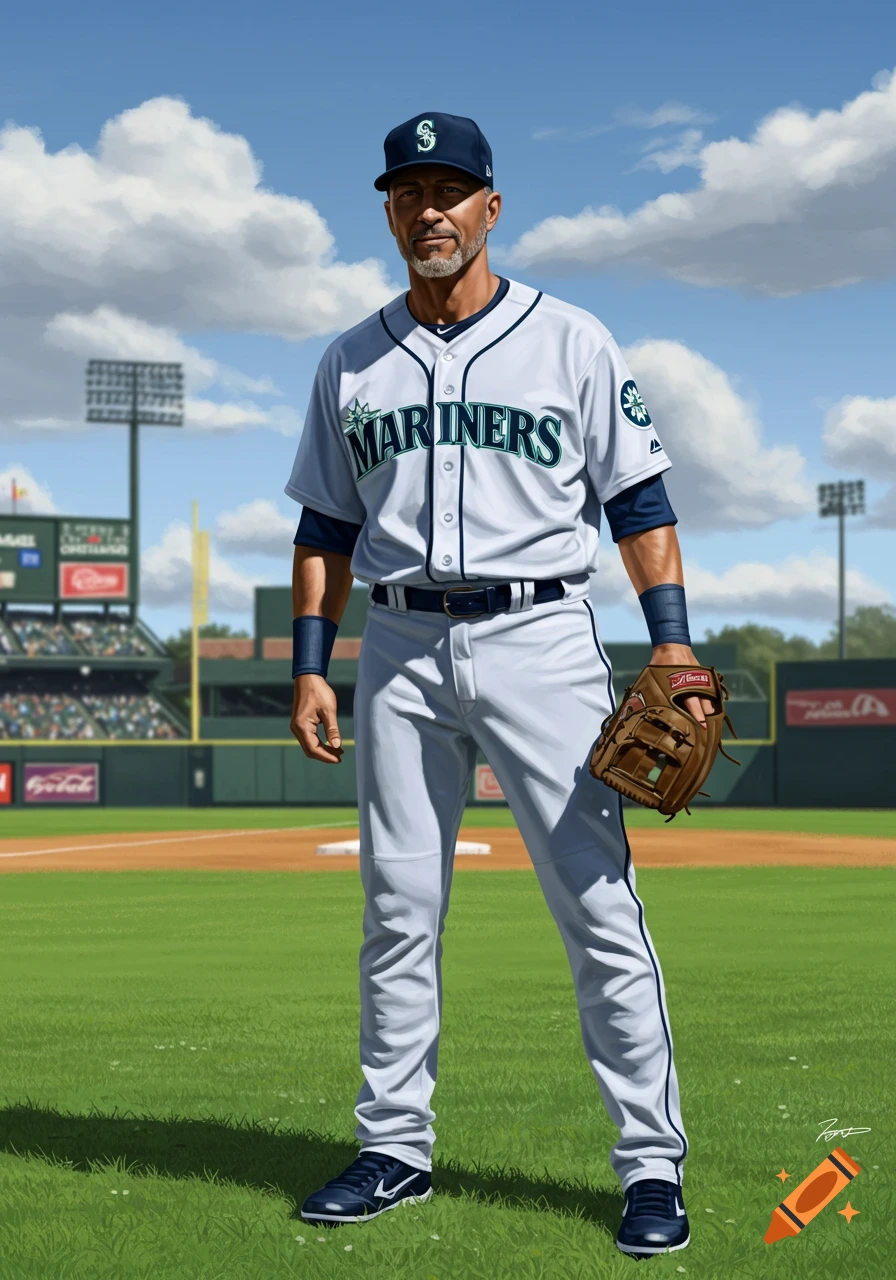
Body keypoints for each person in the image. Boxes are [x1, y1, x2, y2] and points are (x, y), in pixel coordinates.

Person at [285, 112, 714, 1259]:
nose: (429, 211)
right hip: (397, 643)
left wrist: (668, 644)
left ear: (490, 207)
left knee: (594, 902)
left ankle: (647, 1163)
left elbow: (637, 502)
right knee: (395, 910)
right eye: (407, 192)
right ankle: (393, 1146)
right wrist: (308, 666)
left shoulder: (570, 339)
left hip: (540, 639)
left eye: (450, 191)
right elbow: (324, 522)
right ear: (387, 211)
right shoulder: (350, 358)